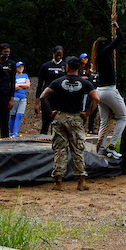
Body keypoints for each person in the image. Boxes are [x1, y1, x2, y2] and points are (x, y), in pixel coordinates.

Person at [41, 55, 99, 191]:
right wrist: (87, 114)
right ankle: (81, 181)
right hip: (76, 118)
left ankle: (58, 181)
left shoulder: (57, 82)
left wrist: (50, 112)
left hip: (60, 117)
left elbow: (43, 97)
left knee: (60, 150)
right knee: (77, 150)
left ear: (66, 67)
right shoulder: (85, 83)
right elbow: (96, 99)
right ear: (79, 68)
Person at [90, 21, 126, 159]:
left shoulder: (99, 56)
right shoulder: (105, 52)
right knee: (124, 117)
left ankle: (101, 148)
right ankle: (111, 147)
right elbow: (120, 39)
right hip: (109, 90)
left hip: (100, 91)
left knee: (104, 122)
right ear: (106, 45)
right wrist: (117, 27)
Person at [34, 46, 66, 135]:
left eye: (60, 55)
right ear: (53, 54)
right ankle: (43, 137)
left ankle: (55, 140)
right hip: (47, 97)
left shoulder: (65, 66)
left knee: (57, 122)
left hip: (60, 97)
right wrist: (37, 102)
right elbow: (40, 84)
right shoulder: (45, 66)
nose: (58, 57)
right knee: (46, 120)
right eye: (57, 55)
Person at [9, 61, 30, 138]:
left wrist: (19, 85)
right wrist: (22, 86)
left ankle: (15, 132)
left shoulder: (25, 75)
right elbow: (13, 87)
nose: (21, 68)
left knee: (20, 115)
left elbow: (28, 85)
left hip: (23, 97)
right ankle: (11, 132)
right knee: (13, 115)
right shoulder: (13, 76)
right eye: (19, 67)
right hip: (15, 97)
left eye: (22, 67)